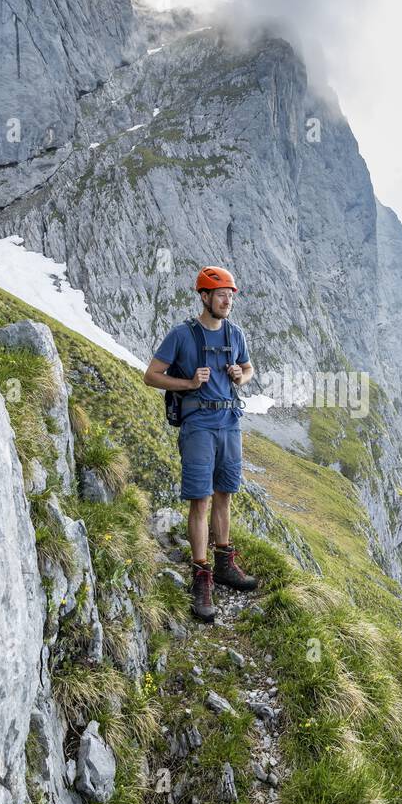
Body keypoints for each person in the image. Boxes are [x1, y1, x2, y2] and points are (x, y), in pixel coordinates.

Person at [143, 266, 259, 622]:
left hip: (229, 422)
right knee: (201, 499)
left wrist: (242, 375)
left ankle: (224, 562)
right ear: (204, 296)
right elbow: (151, 376)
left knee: (225, 493)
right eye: (221, 295)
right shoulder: (182, 335)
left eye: (231, 296)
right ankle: (201, 574)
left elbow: (249, 368)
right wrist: (189, 383)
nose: (227, 301)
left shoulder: (234, 333)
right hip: (197, 425)